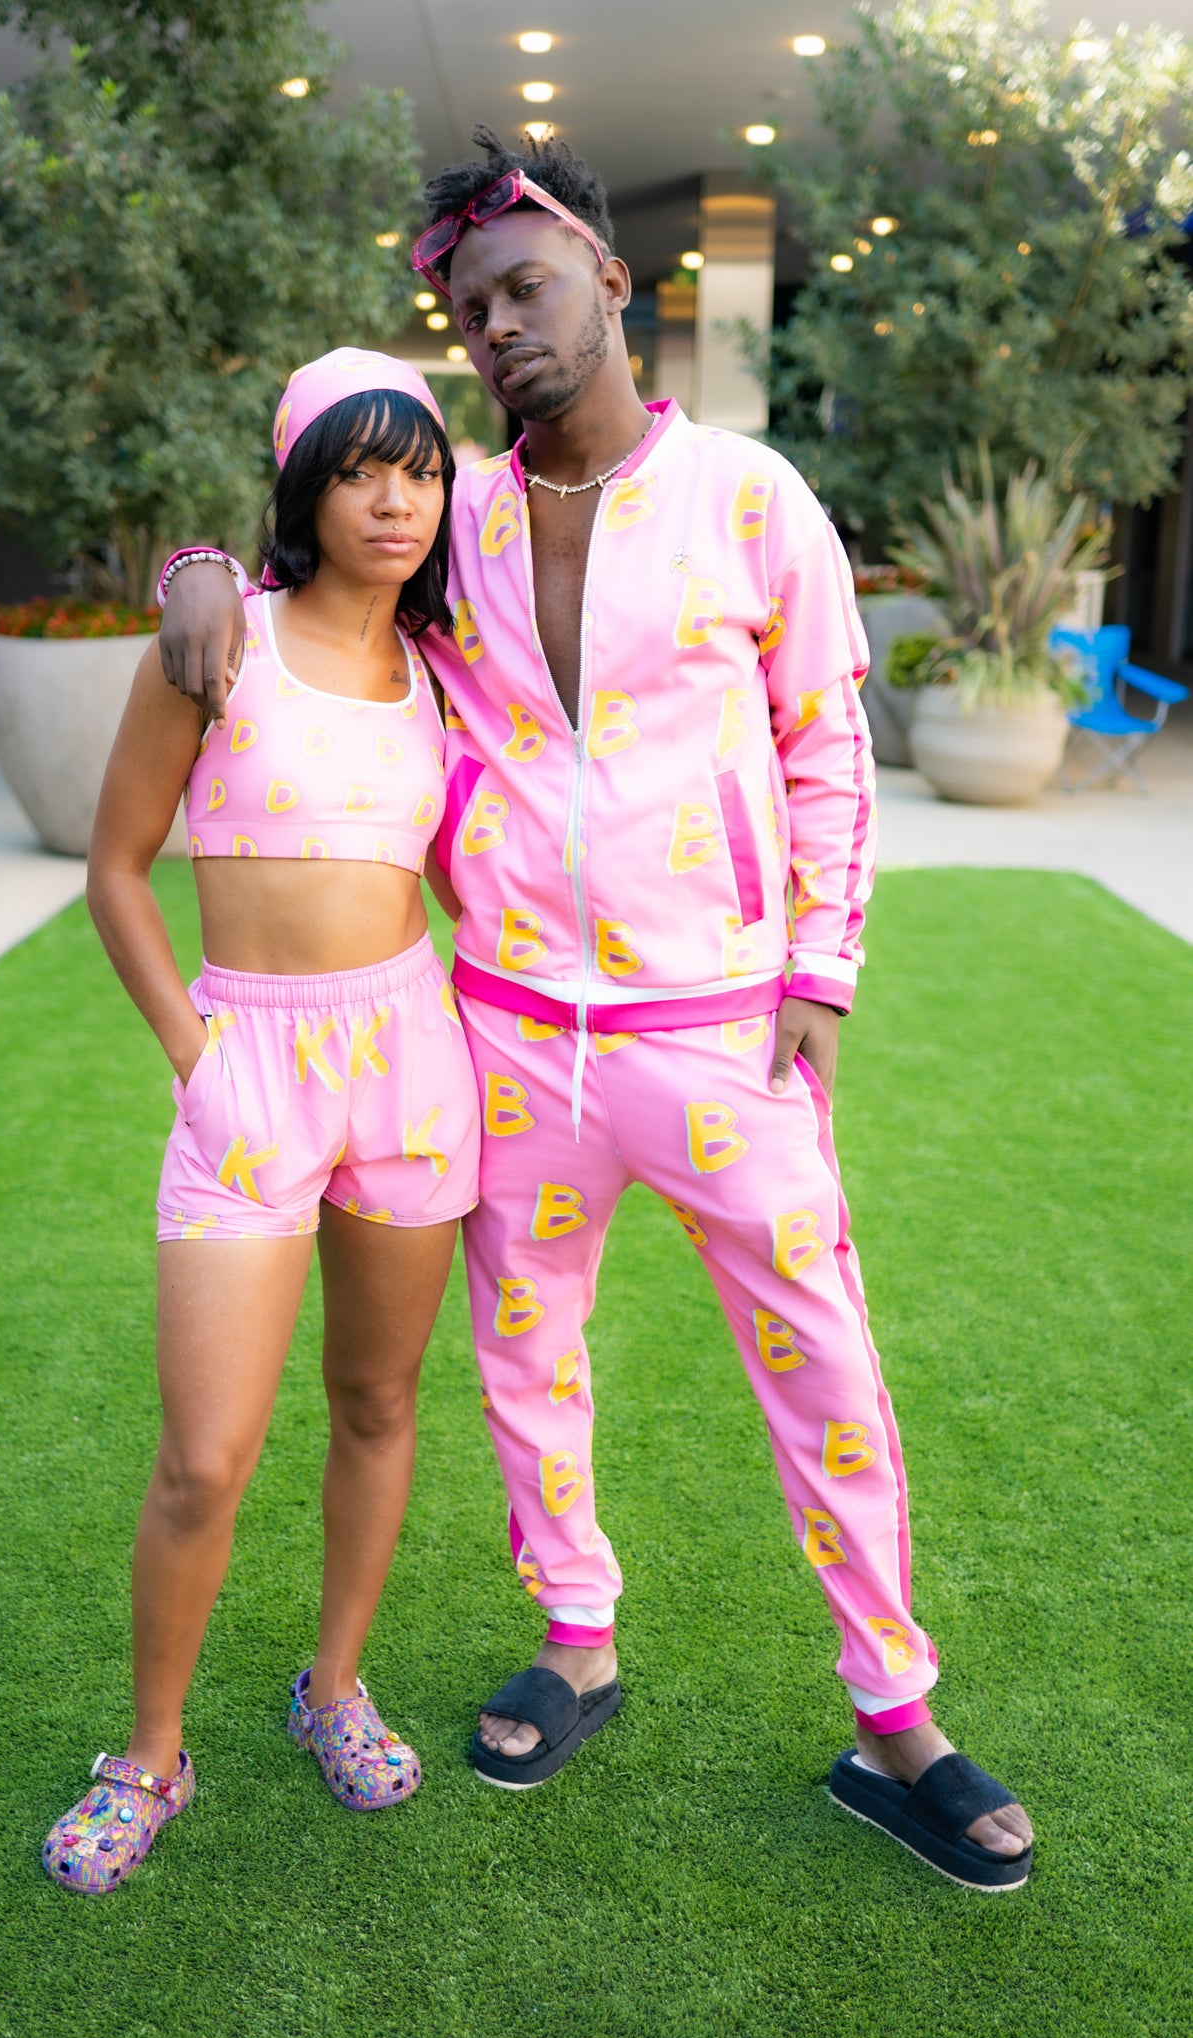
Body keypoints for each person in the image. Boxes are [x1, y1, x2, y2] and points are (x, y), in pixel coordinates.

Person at [157, 134, 1034, 1890]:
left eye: (527, 288)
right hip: (500, 1031)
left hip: (714, 1030)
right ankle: (575, 1638)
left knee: (822, 1360)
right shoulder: (457, 520)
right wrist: (195, 560)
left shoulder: (750, 498)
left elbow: (825, 749)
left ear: (612, 285)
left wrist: (820, 974)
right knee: (524, 1354)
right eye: (470, 310)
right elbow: (308, 579)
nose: (498, 327)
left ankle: (895, 1716)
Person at [43, 353, 479, 1893]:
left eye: (421, 471)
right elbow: (115, 866)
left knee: (377, 1399)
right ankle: (149, 1758)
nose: (395, 501)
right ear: (303, 489)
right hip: (250, 1069)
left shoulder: (451, 667)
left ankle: (333, 1686)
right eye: (360, 470)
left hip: (411, 1068)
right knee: (204, 1458)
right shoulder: (218, 643)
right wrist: (193, 1054)